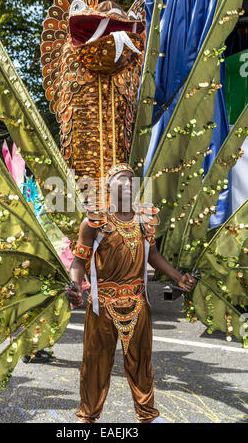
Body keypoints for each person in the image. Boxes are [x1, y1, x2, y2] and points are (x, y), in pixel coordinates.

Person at [68, 163, 197, 423]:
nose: (128, 184)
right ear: (107, 186)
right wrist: (76, 287)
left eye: (131, 180)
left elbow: (154, 256)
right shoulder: (94, 221)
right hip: (102, 304)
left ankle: (148, 415)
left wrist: (178, 278)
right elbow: (79, 261)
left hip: (138, 302)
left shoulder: (145, 219)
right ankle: (87, 418)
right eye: (121, 180)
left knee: (141, 364)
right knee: (95, 363)